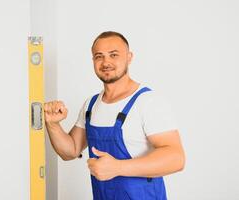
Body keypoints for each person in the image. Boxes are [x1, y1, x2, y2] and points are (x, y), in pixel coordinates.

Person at [44, 31, 185, 200]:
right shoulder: (91, 104)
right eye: (99, 56)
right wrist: (53, 124)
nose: (106, 62)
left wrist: (117, 167)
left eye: (114, 55)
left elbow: (176, 158)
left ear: (129, 57)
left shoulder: (148, 102)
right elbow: (71, 151)